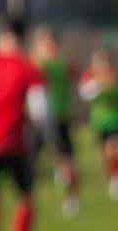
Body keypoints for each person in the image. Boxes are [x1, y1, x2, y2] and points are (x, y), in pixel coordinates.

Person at [0, 18, 58, 231]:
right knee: (25, 197)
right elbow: (40, 111)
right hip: (14, 141)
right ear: (23, 38)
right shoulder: (29, 68)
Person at [29, 26, 82, 217]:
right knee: (32, 161)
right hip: (37, 120)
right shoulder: (37, 62)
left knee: (66, 161)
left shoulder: (55, 63)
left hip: (57, 117)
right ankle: (28, 199)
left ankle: (71, 198)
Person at [79, 47, 118, 201]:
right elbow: (84, 93)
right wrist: (99, 85)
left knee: (114, 148)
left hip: (116, 118)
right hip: (98, 120)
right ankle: (111, 179)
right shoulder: (91, 75)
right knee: (102, 154)